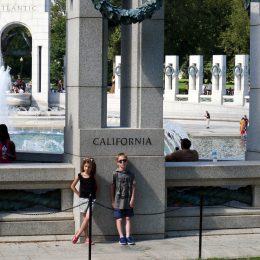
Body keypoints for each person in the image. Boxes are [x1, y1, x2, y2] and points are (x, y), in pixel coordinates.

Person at [71, 157, 99, 245]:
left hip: (92, 199)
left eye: (89, 167)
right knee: (85, 220)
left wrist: (93, 194)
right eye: (86, 166)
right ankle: (87, 239)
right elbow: (72, 186)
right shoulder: (80, 175)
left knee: (87, 217)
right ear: (83, 166)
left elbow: (97, 187)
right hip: (82, 199)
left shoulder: (93, 176)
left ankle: (78, 234)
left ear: (92, 167)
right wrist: (79, 194)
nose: (87, 168)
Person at [111, 152, 136, 245]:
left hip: (128, 200)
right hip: (118, 201)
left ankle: (128, 236)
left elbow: (133, 187)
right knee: (119, 219)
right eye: (120, 161)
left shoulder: (131, 174)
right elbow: (112, 187)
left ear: (127, 161)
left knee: (128, 218)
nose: (122, 163)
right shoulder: (115, 173)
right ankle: (121, 236)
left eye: (124, 160)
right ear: (117, 162)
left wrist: (133, 198)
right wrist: (112, 200)